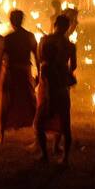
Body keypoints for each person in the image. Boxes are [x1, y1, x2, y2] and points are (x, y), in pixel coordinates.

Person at [35, 15, 76, 164]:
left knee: (40, 121)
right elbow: (74, 68)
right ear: (67, 27)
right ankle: (61, 153)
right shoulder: (70, 45)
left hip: (48, 86)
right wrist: (64, 73)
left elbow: (40, 60)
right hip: (62, 86)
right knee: (65, 123)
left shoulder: (45, 41)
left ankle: (45, 153)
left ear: (55, 24)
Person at [0, 10, 38, 144]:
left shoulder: (8, 38)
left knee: (5, 103)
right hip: (24, 71)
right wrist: (39, 74)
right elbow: (37, 57)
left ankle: (1, 136)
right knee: (30, 102)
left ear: (11, 21)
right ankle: (38, 135)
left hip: (11, 72)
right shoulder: (29, 36)